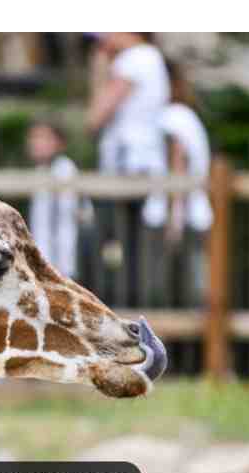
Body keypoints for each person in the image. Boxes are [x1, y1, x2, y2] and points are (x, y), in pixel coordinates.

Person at [86, 33, 170, 305]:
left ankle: (117, 312)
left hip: (125, 171)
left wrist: (99, 71)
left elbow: (96, 118)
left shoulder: (132, 61)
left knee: (107, 251)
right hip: (144, 166)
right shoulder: (153, 58)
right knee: (134, 253)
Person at [158, 59, 212, 306]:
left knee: (172, 293)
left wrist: (175, 218)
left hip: (181, 216)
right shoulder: (188, 115)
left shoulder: (173, 116)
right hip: (198, 214)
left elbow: (177, 164)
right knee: (197, 287)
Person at [26, 120, 81, 279]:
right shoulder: (40, 171)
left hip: (62, 260)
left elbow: (66, 217)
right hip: (43, 257)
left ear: (59, 143)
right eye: (34, 138)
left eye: (44, 138)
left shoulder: (65, 169)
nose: (36, 143)